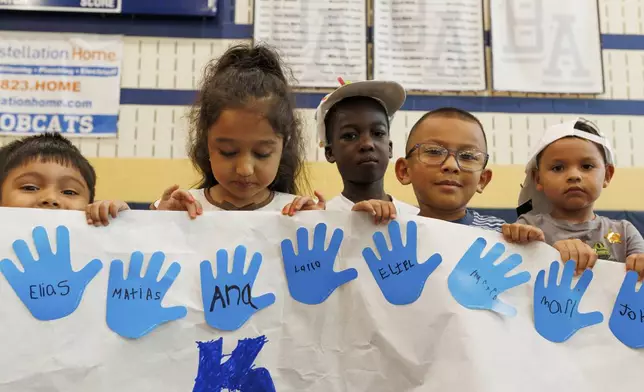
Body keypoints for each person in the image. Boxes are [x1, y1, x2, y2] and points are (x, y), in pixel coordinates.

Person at [152, 43, 311, 214]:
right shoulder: (179, 208)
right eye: (228, 152)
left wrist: (317, 222)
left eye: (262, 153)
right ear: (207, 143)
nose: (244, 169)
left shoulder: (298, 212)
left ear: (283, 146)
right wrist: (162, 222)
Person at [511, 118, 644, 276]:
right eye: (558, 168)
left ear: (607, 175)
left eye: (587, 166)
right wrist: (521, 241)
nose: (574, 175)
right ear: (538, 179)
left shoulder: (623, 233)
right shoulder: (529, 227)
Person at [283, 78, 418, 223]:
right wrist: (308, 225)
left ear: (389, 148)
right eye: (350, 136)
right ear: (330, 153)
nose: (367, 144)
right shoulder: (321, 217)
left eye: (378, 133)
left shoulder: (416, 219)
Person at [394, 107, 508, 232]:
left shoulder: (501, 235)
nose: (451, 165)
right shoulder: (392, 231)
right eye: (434, 152)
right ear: (404, 170)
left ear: (482, 179)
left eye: (468, 156)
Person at [0, 132, 128, 225]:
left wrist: (123, 222)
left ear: (89, 204)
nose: (51, 199)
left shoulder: (98, 240)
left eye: (69, 192)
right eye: (30, 187)